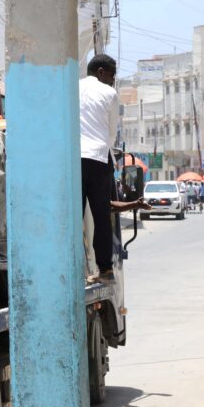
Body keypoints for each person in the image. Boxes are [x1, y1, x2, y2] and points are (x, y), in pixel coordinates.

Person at [79, 55, 119, 282]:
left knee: (74, 216)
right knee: (101, 216)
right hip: (98, 157)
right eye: (112, 74)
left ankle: (77, 268)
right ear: (101, 71)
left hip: (74, 158)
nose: (113, 80)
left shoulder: (72, 88)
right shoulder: (110, 94)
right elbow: (111, 132)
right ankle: (105, 270)